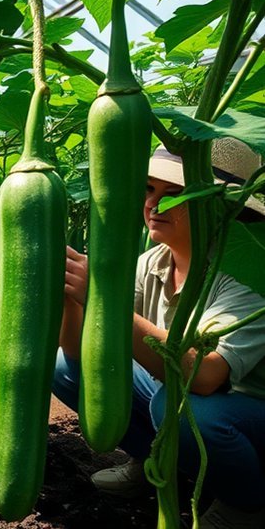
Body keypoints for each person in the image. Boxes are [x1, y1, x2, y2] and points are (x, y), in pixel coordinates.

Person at [51, 138, 265, 529]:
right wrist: (72, 299)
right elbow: (82, 350)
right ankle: (151, 460)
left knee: (183, 411)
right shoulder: (154, 261)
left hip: (245, 417)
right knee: (66, 367)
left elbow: (204, 377)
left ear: (223, 207)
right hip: (183, 398)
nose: (152, 203)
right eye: (149, 189)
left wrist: (104, 298)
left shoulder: (250, 277)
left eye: (175, 193)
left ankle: (245, 504)